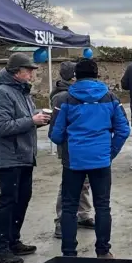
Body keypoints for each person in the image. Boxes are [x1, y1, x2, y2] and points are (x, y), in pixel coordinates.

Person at [49, 58, 130, 257]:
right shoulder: (110, 97)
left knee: (69, 207)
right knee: (102, 206)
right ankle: (103, 251)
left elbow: (55, 134)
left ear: (75, 76)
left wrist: (71, 145)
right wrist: (110, 152)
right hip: (101, 160)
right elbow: (123, 130)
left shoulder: (64, 99)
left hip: (73, 161)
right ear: (97, 75)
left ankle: (69, 254)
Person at [0, 53, 50, 263]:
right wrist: (31, 120)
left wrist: (39, 120)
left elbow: (23, 120)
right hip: (9, 156)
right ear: (17, 72)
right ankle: (0, 249)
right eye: (28, 70)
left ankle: (13, 240)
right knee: (8, 201)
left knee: (22, 198)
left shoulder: (22, 92)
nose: (32, 73)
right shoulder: (1, 93)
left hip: (24, 154)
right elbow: (0, 126)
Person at [51, 62, 95, 238]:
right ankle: (61, 221)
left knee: (84, 182)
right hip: (70, 147)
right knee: (68, 186)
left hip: (83, 146)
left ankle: (83, 214)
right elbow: (57, 127)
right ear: (73, 77)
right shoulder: (61, 96)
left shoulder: (74, 92)